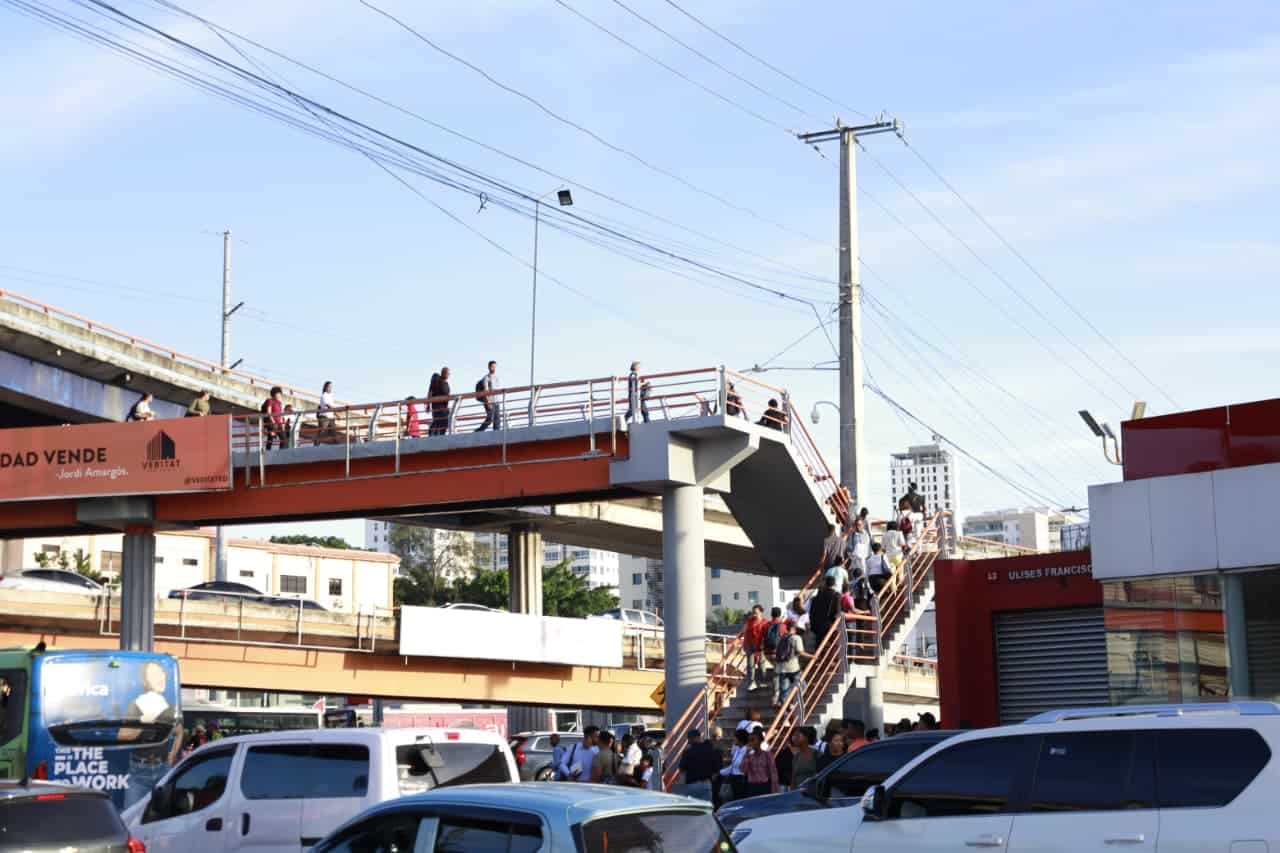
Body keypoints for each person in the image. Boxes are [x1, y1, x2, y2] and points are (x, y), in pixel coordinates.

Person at [677, 729, 720, 802]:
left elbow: (682, 769)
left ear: (692, 738)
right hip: (706, 784)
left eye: (689, 738)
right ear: (699, 737)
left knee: (693, 809)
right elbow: (716, 769)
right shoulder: (710, 750)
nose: (688, 740)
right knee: (706, 810)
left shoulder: (687, 752)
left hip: (692, 785)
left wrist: (682, 785)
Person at [773, 622, 809, 708]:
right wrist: (813, 657)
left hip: (782, 668)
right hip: (794, 668)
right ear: (794, 629)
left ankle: (785, 711)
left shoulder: (782, 638)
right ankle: (794, 703)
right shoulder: (796, 638)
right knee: (802, 685)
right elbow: (800, 652)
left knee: (784, 691)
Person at [714, 729, 750, 808]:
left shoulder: (747, 751)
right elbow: (733, 766)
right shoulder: (737, 750)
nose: (734, 740)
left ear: (740, 739)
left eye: (735, 738)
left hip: (742, 781)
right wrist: (720, 772)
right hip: (734, 780)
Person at [742, 729, 779, 797]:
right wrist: (746, 755)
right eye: (749, 741)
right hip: (752, 786)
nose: (750, 743)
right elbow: (744, 771)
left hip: (764, 786)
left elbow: (773, 772)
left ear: (760, 741)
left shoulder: (767, 755)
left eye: (753, 740)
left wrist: (775, 789)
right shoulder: (749, 757)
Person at [809, 576, 841, 647]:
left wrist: (812, 625)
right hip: (830, 623)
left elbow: (812, 612)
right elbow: (837, 611)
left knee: (818, 645)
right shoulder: (836, 595)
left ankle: (818, 657)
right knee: (833, 645)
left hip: (817, 624)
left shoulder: (816, 597)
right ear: (834, 584)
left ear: (825, 583)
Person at [742, 605, 768, 691]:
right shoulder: (750, 621)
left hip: (760, 646)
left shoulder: (765, 622)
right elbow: (744, 631)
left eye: (756, 613)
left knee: (761, 664)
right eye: (753, 612)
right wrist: (743, 643)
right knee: (750, 665)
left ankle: (763, 682)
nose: (754, 614)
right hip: (750, 645)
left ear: (761, 612)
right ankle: (751, 683)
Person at [475, 360, 501, 432]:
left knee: (497, 420)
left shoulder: (496, 378)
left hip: (496, 401)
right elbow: (485, 391)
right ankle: (478, 431)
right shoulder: (486, 378)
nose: (494, 368)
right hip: (489, 401)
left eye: (495, 367)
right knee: (490, 419)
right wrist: (488, 402)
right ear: (489, 367)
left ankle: (497, 434)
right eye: (492, 367)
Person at [428, 368, 451, 436]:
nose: (448, 375)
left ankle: (437, 434)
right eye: (447, 373)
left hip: (443, 406)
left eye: (449, 374)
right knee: (440, 421)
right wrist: (428, 404)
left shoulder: (445, 383)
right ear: (443, 373)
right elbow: (430, 392)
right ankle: (435, 434)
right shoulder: (437, 381)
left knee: (441, 421)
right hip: (438, 406)